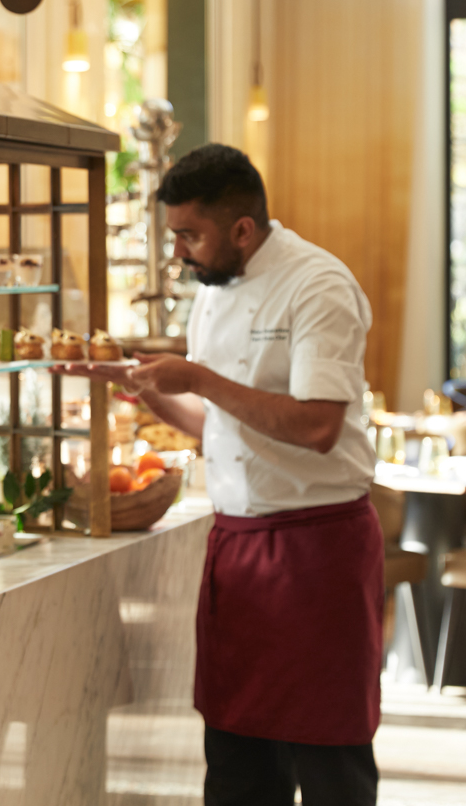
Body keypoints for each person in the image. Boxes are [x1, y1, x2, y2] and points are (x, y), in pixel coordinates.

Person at [66, 143, 383, 805]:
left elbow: (318, 428)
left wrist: (200, 378)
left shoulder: (318, 285)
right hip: (238, 552)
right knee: (237, 763)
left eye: (189, 235)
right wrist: (146, 389)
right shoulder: (213, 287)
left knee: (330, 763)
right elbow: (225, 428)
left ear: (242, 229)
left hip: (316, 551)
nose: (178, 250)